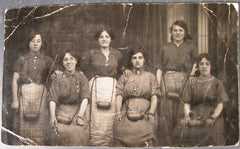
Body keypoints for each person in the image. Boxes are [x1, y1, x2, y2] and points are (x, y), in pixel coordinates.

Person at [80, 28, 125, 146]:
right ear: (97, 39)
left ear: (111, 39)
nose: (104, 39)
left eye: (107, 36)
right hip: (96, 87)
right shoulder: (91, 54)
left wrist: (126, 70)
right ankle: (96, 144)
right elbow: (81, 70)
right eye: (101, 37)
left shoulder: (117, 54)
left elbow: (122, 69)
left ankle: (109, 144)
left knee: (110, 117)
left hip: (112, 87)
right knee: (96, 117)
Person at [172, 53, 229, 146]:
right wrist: (187, 115)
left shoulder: (217, 83)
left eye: (207, 64)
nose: (204, 66)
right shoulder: (192, 82)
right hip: (195, 114)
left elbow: (220, 104)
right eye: (201, 64)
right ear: (198, 66)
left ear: (211, 66)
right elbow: (186, 102)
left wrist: (212, 117)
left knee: (212, 135)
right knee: (179, 133)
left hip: (212, 116)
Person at [156, 20, 198, 145]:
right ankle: (167, 143)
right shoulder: (165, 47)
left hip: (186, 79)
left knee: (183, 111)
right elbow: (159, 68)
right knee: (166, 113)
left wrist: (191, 75)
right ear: (171, 32)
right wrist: (158, 86)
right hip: (167, 80)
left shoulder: (191, 46)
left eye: (180, 30)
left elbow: (196, 63)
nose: (178, 33)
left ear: (185, 32)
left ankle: (180, 143)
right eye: (175, 30)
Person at [11, 31, 53, 145]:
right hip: (24, 95)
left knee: (40, 127)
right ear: (28, 43)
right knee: (23, 127)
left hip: (41, 95)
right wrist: (15, 100)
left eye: (38, 41)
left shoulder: (47, 60)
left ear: (42, 43)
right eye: (32, 41)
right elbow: (15, 80)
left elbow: (55, 77)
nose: (35, 44)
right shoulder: (22, 59)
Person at [113, 45, 159, 147]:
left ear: (144, 60)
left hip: (146, 115)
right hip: (126, 115)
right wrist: (118, 113)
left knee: (149, 135)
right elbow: (119, 96)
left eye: (140, 57)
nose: (137, 60)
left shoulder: (151, 77)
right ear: (130, 61)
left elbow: (154, 97)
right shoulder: (124, 77)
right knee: (119, 133)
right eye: (134, 58)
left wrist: (151, 113)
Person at [48, 50, 90, 146]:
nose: (69, 62)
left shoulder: (82, 78)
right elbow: (52, 98)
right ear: (63, 63)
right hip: (61, 112)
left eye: (72, 59)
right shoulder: (58, 79)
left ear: (76, 61)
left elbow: (85, 98)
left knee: (78, 135)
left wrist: (80, 116)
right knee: (57, 134)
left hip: (78, 111)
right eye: (66, 60)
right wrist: (52, 116)